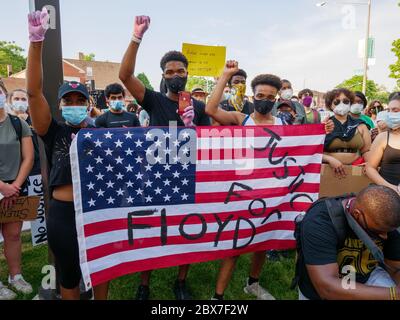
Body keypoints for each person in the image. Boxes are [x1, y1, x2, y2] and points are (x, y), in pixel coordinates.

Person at [119, 15, 211, 301]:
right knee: (151, 228)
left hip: (187, 176)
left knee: (187, 229)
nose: (175, 75)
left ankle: (180, 281)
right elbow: (124, 76)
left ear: (187, 73)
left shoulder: (197, 106)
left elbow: (209, 142)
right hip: (156, 176)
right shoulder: (153, 100)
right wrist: (136, 38)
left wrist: (193, 127)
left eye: (180, 70)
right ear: (162, 75)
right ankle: (144, 283)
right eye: (169, 71)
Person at [26, 8, 108, 300]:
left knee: (102, 269)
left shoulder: (101, 134)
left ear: (88, 105)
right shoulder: (52, 130)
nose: (74, 103)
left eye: (80, 100)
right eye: (68, 100)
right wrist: (36, 43)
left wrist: (182, 128)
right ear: (60, 105)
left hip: (97, 212)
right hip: (62, 214)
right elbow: (34, 93)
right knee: (68, 274)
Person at [297, 185, 400, 300]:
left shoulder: (384, 220)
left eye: (387, 232)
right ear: (357, 214)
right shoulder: (319, 222)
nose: (385, 237)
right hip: (323, 289)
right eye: (378, 231)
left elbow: (395, 268)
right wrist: (392, 294)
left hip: (367, 277)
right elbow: (327, 288)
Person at [0, 82, 34, 300]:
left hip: (15, 189)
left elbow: (28, 157)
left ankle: (16, 276)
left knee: (13, 236)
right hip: (4, 187)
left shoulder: (17, 123)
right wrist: (2, 186)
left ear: (4, 94)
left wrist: (14, 186)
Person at [323, 88, 371, 178]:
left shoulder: (361, 125)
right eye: (337, 102)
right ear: (330, 105)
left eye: (346, 101)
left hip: (356, 171)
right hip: (327, 170)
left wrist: (369, 166)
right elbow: (314, 151)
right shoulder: (325, 125)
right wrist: (330, 159)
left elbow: (367, 151)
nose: (342, 105)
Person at [366, 94, 400, 190]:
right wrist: (392, 188)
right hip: (386, 194)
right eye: (389, 110)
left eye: (395, 111)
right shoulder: (383, 138)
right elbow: (370, 168)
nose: (390, 114)